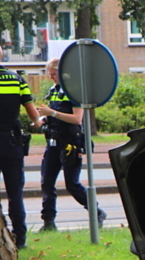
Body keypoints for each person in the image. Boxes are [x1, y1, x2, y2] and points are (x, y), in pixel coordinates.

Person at [0, 41, 41, 249]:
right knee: (15, 193)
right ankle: (20, 239)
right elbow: (33, 113)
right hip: (13, 143)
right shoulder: (18, 79)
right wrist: (39, 121)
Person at [36, 58, 106, 232]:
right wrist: (43, 118)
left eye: (53, 74)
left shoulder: (74, 91)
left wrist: (51, 112)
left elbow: (76, 118)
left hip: (70, 143)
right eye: (49, 74)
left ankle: (96, 212)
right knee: (47, 182)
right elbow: (55, 114)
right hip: (53, 141)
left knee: (71, 183)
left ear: (62, 73)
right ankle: (49, 222)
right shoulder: (54, 90)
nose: (51, 77)